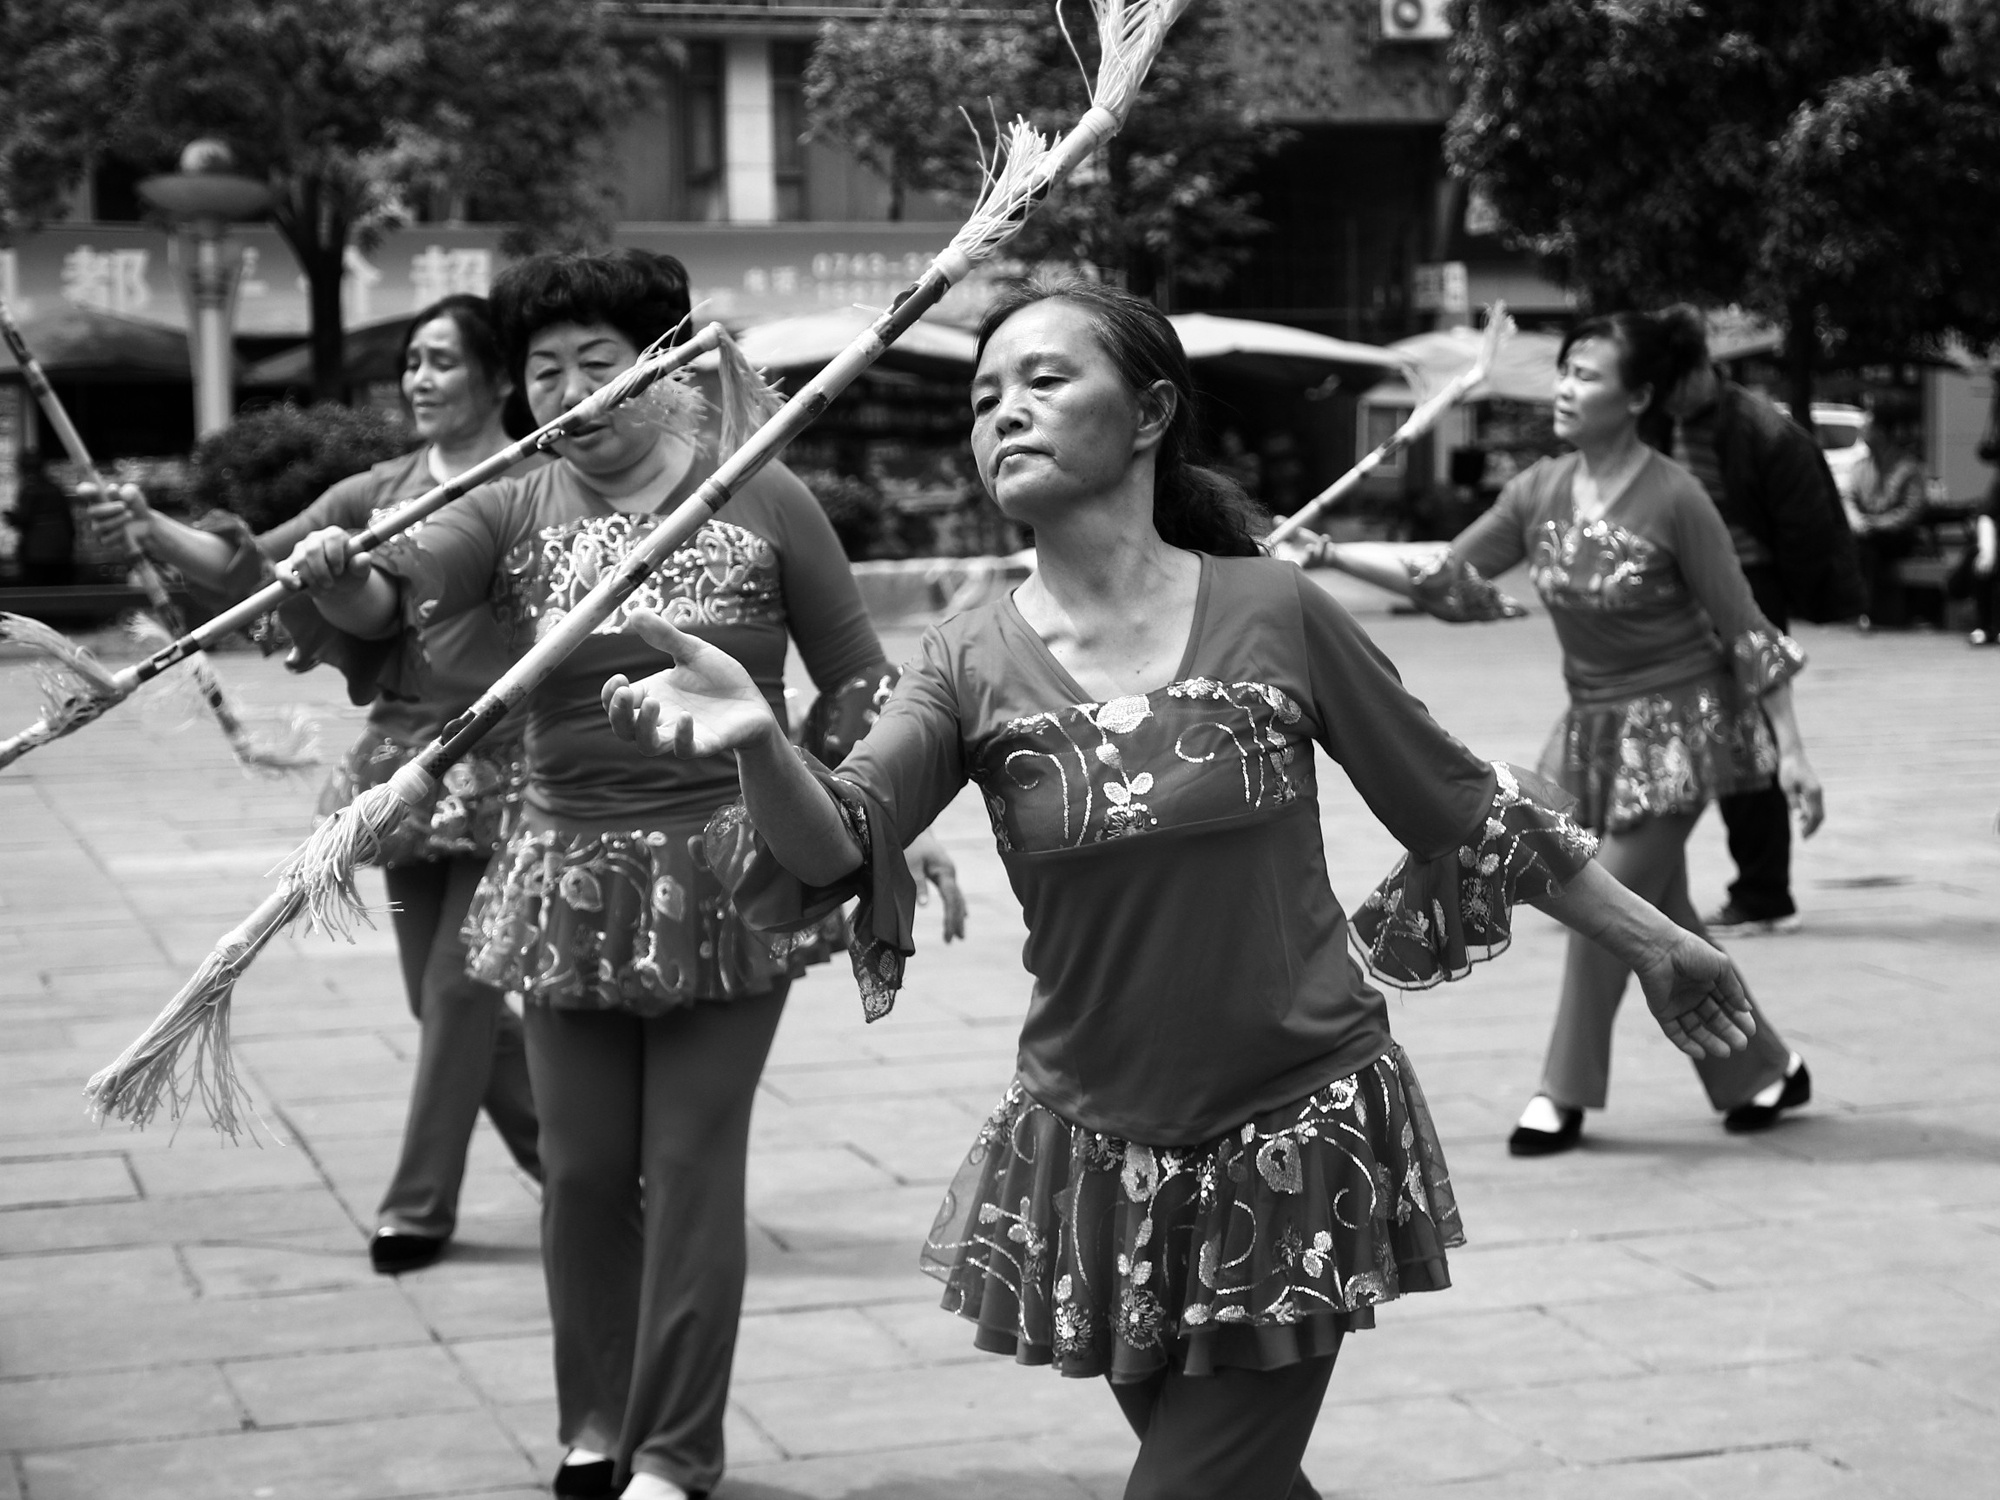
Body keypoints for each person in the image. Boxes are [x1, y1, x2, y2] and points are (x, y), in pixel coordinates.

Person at [599, 278, 1761, 1500]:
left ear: (1149, 412)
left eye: (1045, 380)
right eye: (983, 398)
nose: (1003, 413)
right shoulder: (965, 658)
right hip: (1095, 1156)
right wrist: (758, 743)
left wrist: (1658, 944)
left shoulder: (1273, 610)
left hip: (1296, 1131)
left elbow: (1459, 803)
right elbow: (837, 842)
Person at [280, 248, 957, 1500]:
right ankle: (594, 1424)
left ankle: (677, 1453)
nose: (569, 392)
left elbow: (858, 677)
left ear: (668, 367)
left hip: (737, 868)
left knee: (692, 1166)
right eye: (542, 371)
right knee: (585, 1172)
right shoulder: (509, 503)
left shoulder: (761, 492)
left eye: (598, 363)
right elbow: (394, 596)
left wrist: (889, 817)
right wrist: (344, 573)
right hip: (563, 877)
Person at [87, 295, 544, 1275]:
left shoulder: (539, 482)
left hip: (521, 757)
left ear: (498, 377)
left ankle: (417, 1207)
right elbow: (255, 567)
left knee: (460, 990)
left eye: (441, 360)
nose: (418, 379)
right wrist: (153, 527)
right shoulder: (378, 490)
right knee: (439, 1004)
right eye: (411, 362)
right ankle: (577, 1167)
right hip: (410, 768)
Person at [1298, 310, 1819, 1156]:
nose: (1566, 389)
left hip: (1679, 729)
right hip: (1591, 726)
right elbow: (1448, 574)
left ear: (1638, 397)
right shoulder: (1539, 489)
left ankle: (1562, 1092)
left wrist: (1792, 753)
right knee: (1660, 908)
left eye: (1587, 375)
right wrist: (1330, 556)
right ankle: (1763, 1068)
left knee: (1598, 901)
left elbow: (1745, 628)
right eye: (1565, 371)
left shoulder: (1677, 497)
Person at [1656, 306, 1863, 936]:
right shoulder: (1659, 421)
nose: (1667, 398)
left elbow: (1807, 531)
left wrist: (1785, 602)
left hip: (1746, 591)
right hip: (1684, 593)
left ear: (1701, 368)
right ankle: (1634, 883)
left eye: (1673, 383)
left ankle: (1764, 894)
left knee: (1747, 741)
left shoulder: (1762, 431)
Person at [1842, 403, 1928, 630]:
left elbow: (1911, 511)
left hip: (1897, 535)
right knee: (1855, 544)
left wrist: (1878, 524)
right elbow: (1848, 499)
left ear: (1881, 431)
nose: (1862, 430)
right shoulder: (1860, 467)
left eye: (1867, 426)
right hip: (1865, 532)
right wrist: (1857, 521)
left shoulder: (1908, 467)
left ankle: (1864, 610)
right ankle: (1856, 608)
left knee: (1867, 548)